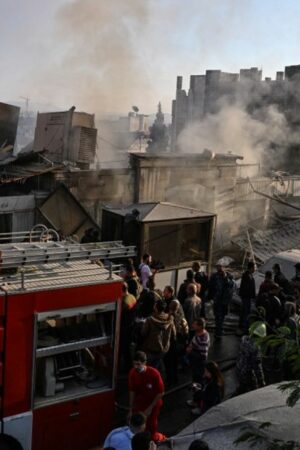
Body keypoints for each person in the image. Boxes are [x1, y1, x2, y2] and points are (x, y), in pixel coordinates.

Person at [128, 351, 165, 441]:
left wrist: (150, 408)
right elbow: (132, 391)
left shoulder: (154, 373)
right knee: (137, 423)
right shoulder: (132, 373)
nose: (136, 367)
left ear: (144, 363)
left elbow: (161, 392)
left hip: (153, 402)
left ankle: (150, 441)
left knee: (151, 425)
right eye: (134, 364)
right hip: (141, 402)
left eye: (138, 364)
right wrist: (130, 409)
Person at [141, 299, 176, 370]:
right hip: (164, 348)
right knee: (157, 364)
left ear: (156, 308)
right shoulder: (170, 319)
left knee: (149, 368)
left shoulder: (150, 320)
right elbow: (173, 334)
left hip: (151, 348)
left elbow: (143, 333)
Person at [235, 321, 266, 394]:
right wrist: (261, 381)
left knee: (242, 386)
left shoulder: (244, 339)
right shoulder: (256, 348)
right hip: (248, 374)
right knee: (252, 392)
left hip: (239, 368)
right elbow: (257, 366)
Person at [208, 263, 234, 339]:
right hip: (218, 300)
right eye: (218, 268)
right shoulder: (214, 276)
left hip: (224, 301)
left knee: (221, 317)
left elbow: (231, 285)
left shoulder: (228, 276)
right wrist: (210, 297)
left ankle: (219, 330)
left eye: (221, 268)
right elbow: (211, 287)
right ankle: (218, 331)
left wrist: (225, 277)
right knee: (218, 316)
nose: (220, 270)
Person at [186, 318, 210, 383]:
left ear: (200, 326)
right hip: (195, 362)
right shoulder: (198, 333)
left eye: (195, 324)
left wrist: (190, 351)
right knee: (195, 377)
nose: (193, 325)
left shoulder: (203, 338)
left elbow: (203, 356)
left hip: (199, 364)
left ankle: (198, 391)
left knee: (198, 379)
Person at [120, 282, 137, 371]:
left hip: (124, 328)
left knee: (124, 349)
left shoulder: (124, 302)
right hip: (131, 326)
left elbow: (120, 313)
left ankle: (127, 368)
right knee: (127, 348)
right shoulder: (132, 297)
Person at [239, 261, 256, 332]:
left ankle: (243, 325)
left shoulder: (249, 275)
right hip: (246, 297)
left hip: (247, 297)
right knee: (245, 311)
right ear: (251, 268)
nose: (255, 269)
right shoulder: (247, 275)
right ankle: (244, 326)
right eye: (254, 267)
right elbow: (247, 288)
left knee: (245, 311)